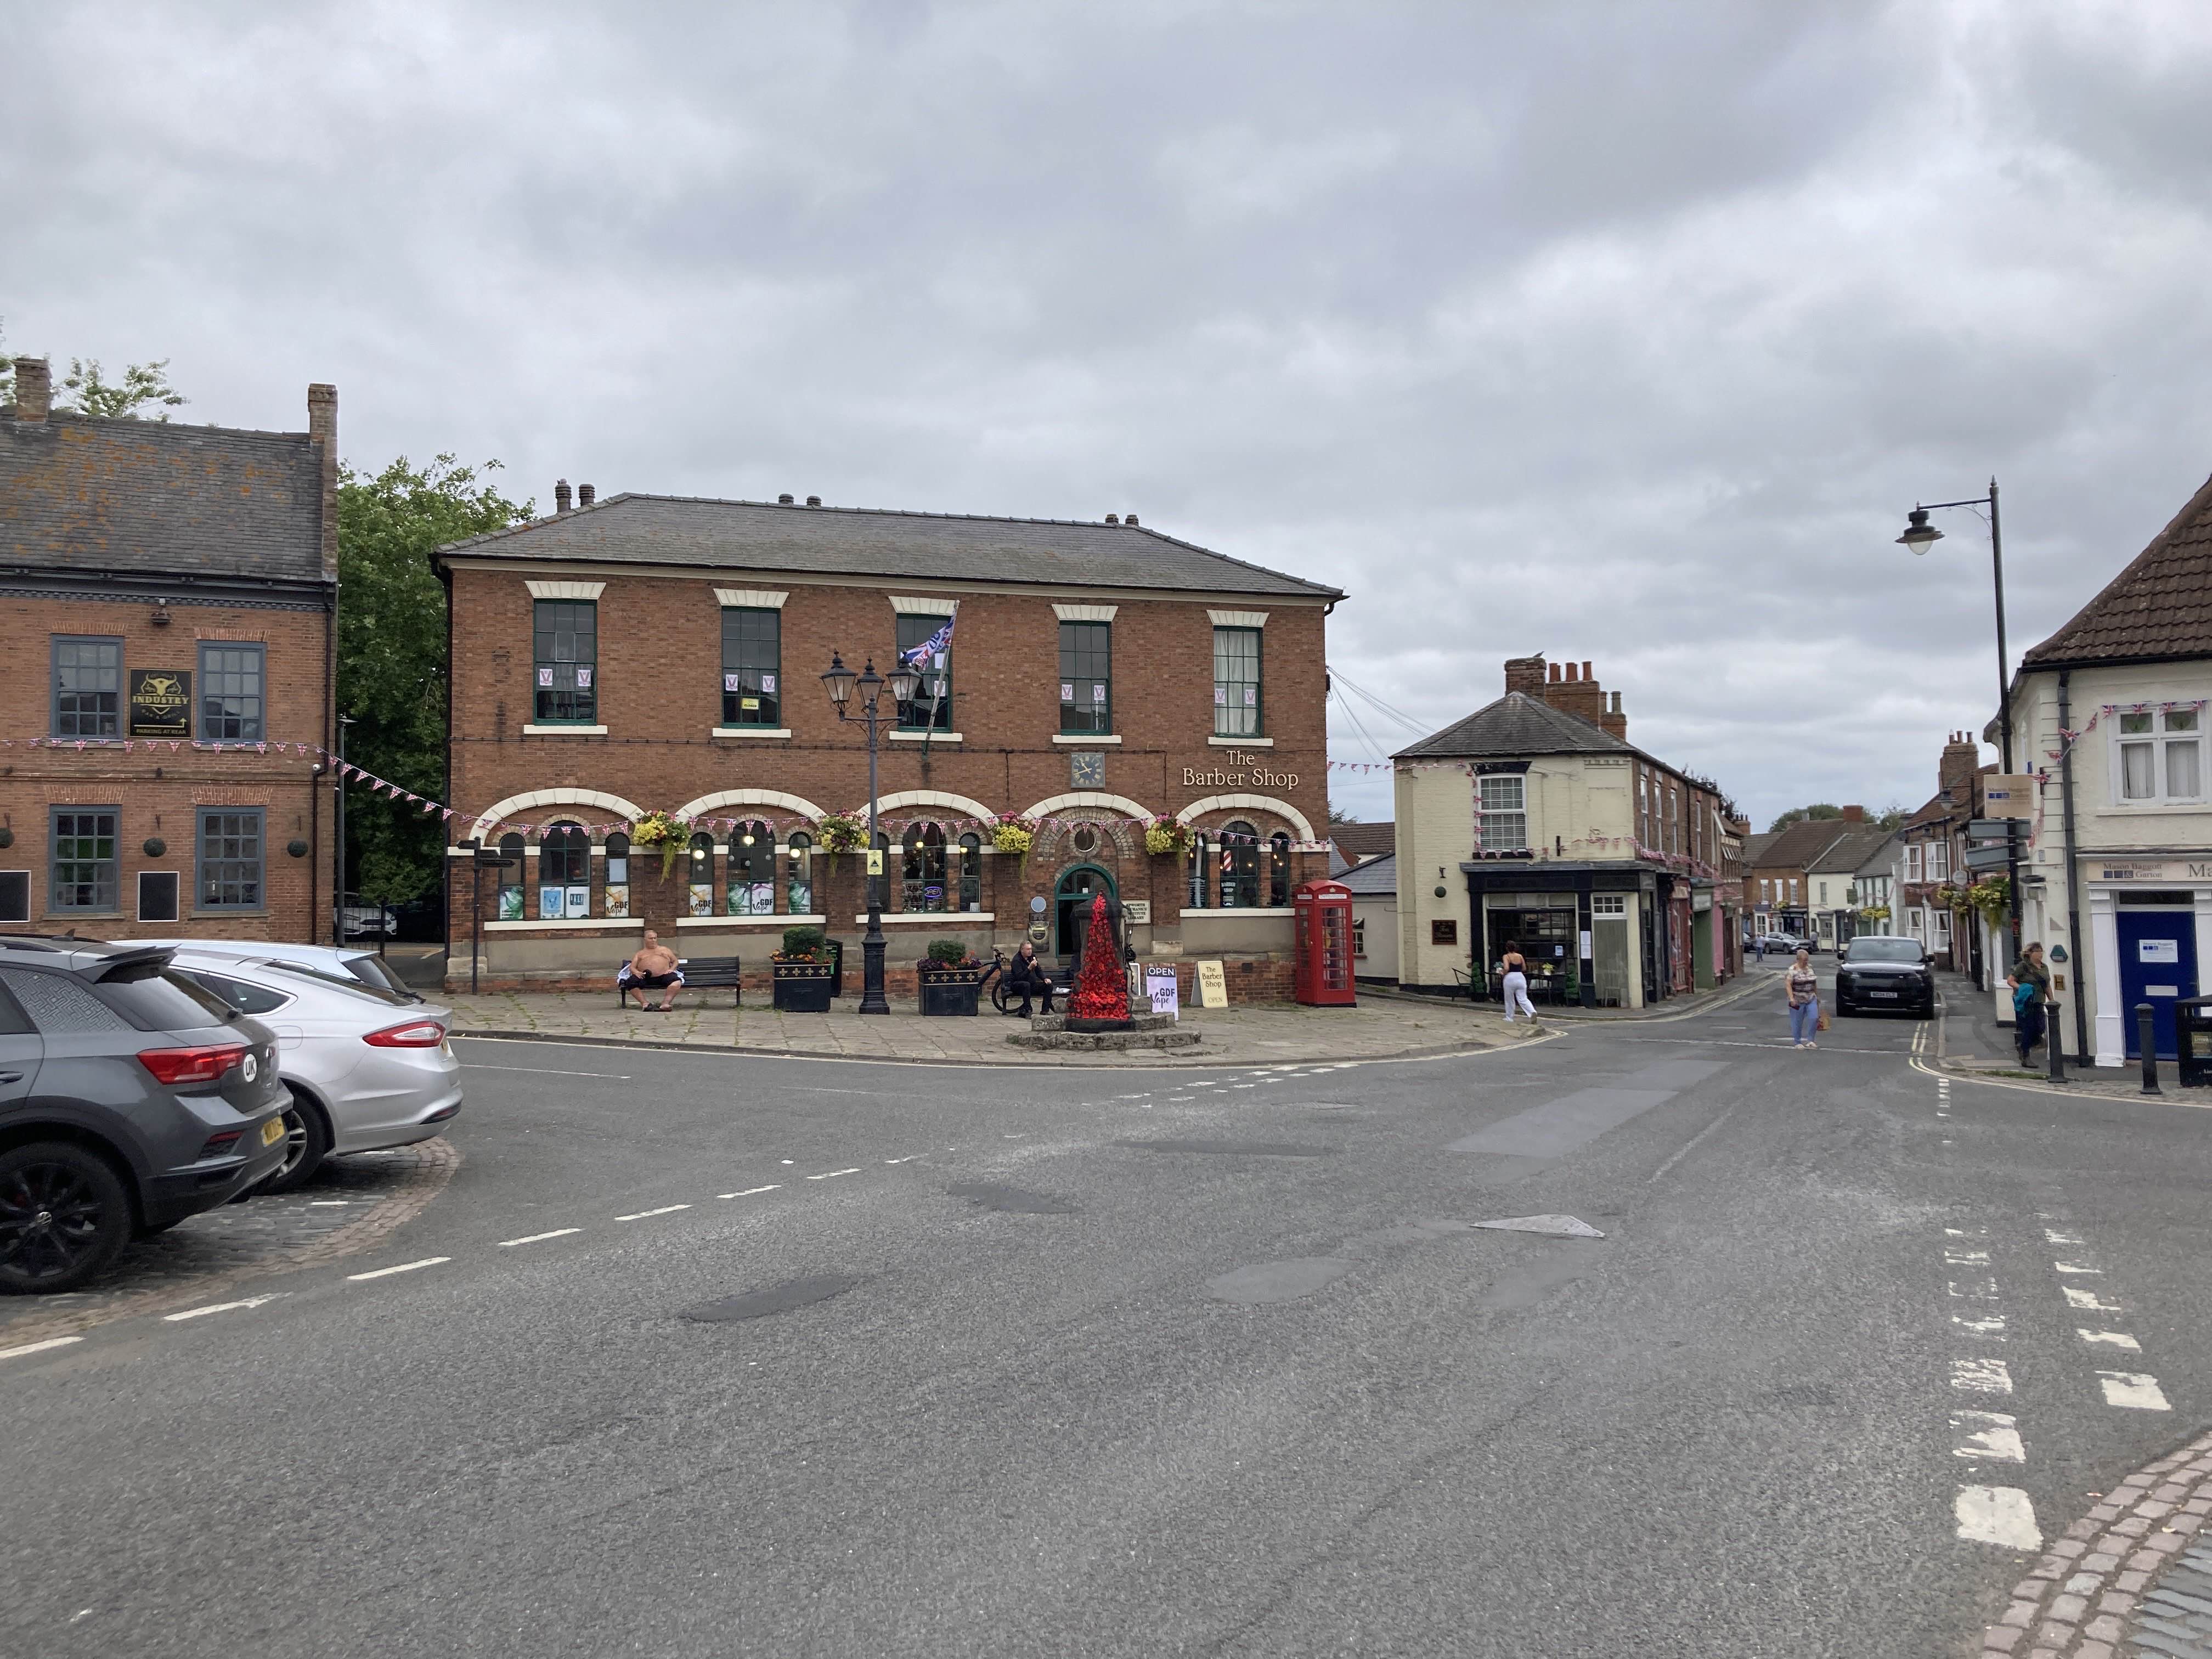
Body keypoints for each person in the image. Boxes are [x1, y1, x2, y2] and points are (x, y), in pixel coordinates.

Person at [2007, 943, 2051, 1068]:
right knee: (2028, 1029)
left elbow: (2046, 985)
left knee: (2040, 1028)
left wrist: (2051, 1000)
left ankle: (2022, 1047)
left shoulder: (2044, 968)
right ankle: (2026, 1057)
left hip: (2039, 1001)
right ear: (2030, 953)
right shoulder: (2023, 966)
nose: (2040, 954)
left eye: (2041, 951)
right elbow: (2010, 981)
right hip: (2026, 1003)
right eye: (2037, 951)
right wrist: (2022, 988)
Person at [624, 930, 684, 1012]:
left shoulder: (665, 950)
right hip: (645, 976)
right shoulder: (640, 954)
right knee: (630, 982)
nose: (653, 940)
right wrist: (636, 972)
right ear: (645, 940)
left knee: (677, 982)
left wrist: (672, 969)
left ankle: (665, 1004)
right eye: (650, 938)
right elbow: (632, 967)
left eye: (655, 938)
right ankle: (645, 1004)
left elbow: (675, 961)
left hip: (664, 975)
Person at [1004, 939, 1057, 1018]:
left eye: (1031, 949)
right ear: (1022, 950)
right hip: (1018, 986)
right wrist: (1029, 968)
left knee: (1049, 986)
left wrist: (1044, 978)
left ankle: (1045, 1010)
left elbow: (1039, 970)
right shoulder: (1017, 960)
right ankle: (1028, 1009)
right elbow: (1020, 977)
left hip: (1032, 985)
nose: (1030, 951)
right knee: (1026, 985)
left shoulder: (1032, 957)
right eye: (1028, 949)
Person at [1785, 947, 1820, 1048]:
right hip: (1797, 1000)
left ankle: (1811, 1040)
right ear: (1798, 959)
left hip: (1811, 998)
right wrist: (1792, 999)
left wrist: (1817, 996)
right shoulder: (1792, 970)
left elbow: (1814, 983)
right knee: (1797, 1022)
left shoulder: (1810, 968)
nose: (1806, 962)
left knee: (1814, 1018)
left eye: (1807, 960)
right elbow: (1788, 985)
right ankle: (1798, 1042)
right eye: (1805, 960)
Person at [1499, 940, 1538, 1026]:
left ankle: (1509, 1018)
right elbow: (1524, 968)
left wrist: (1502, 972)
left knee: (1509, 999)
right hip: (1520, 977)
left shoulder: (1506, 956)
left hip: (1510, 978)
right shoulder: (1520, 956)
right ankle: (1532, 1012)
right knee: (1523, 998)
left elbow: (1506, 968)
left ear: (1507, 948)